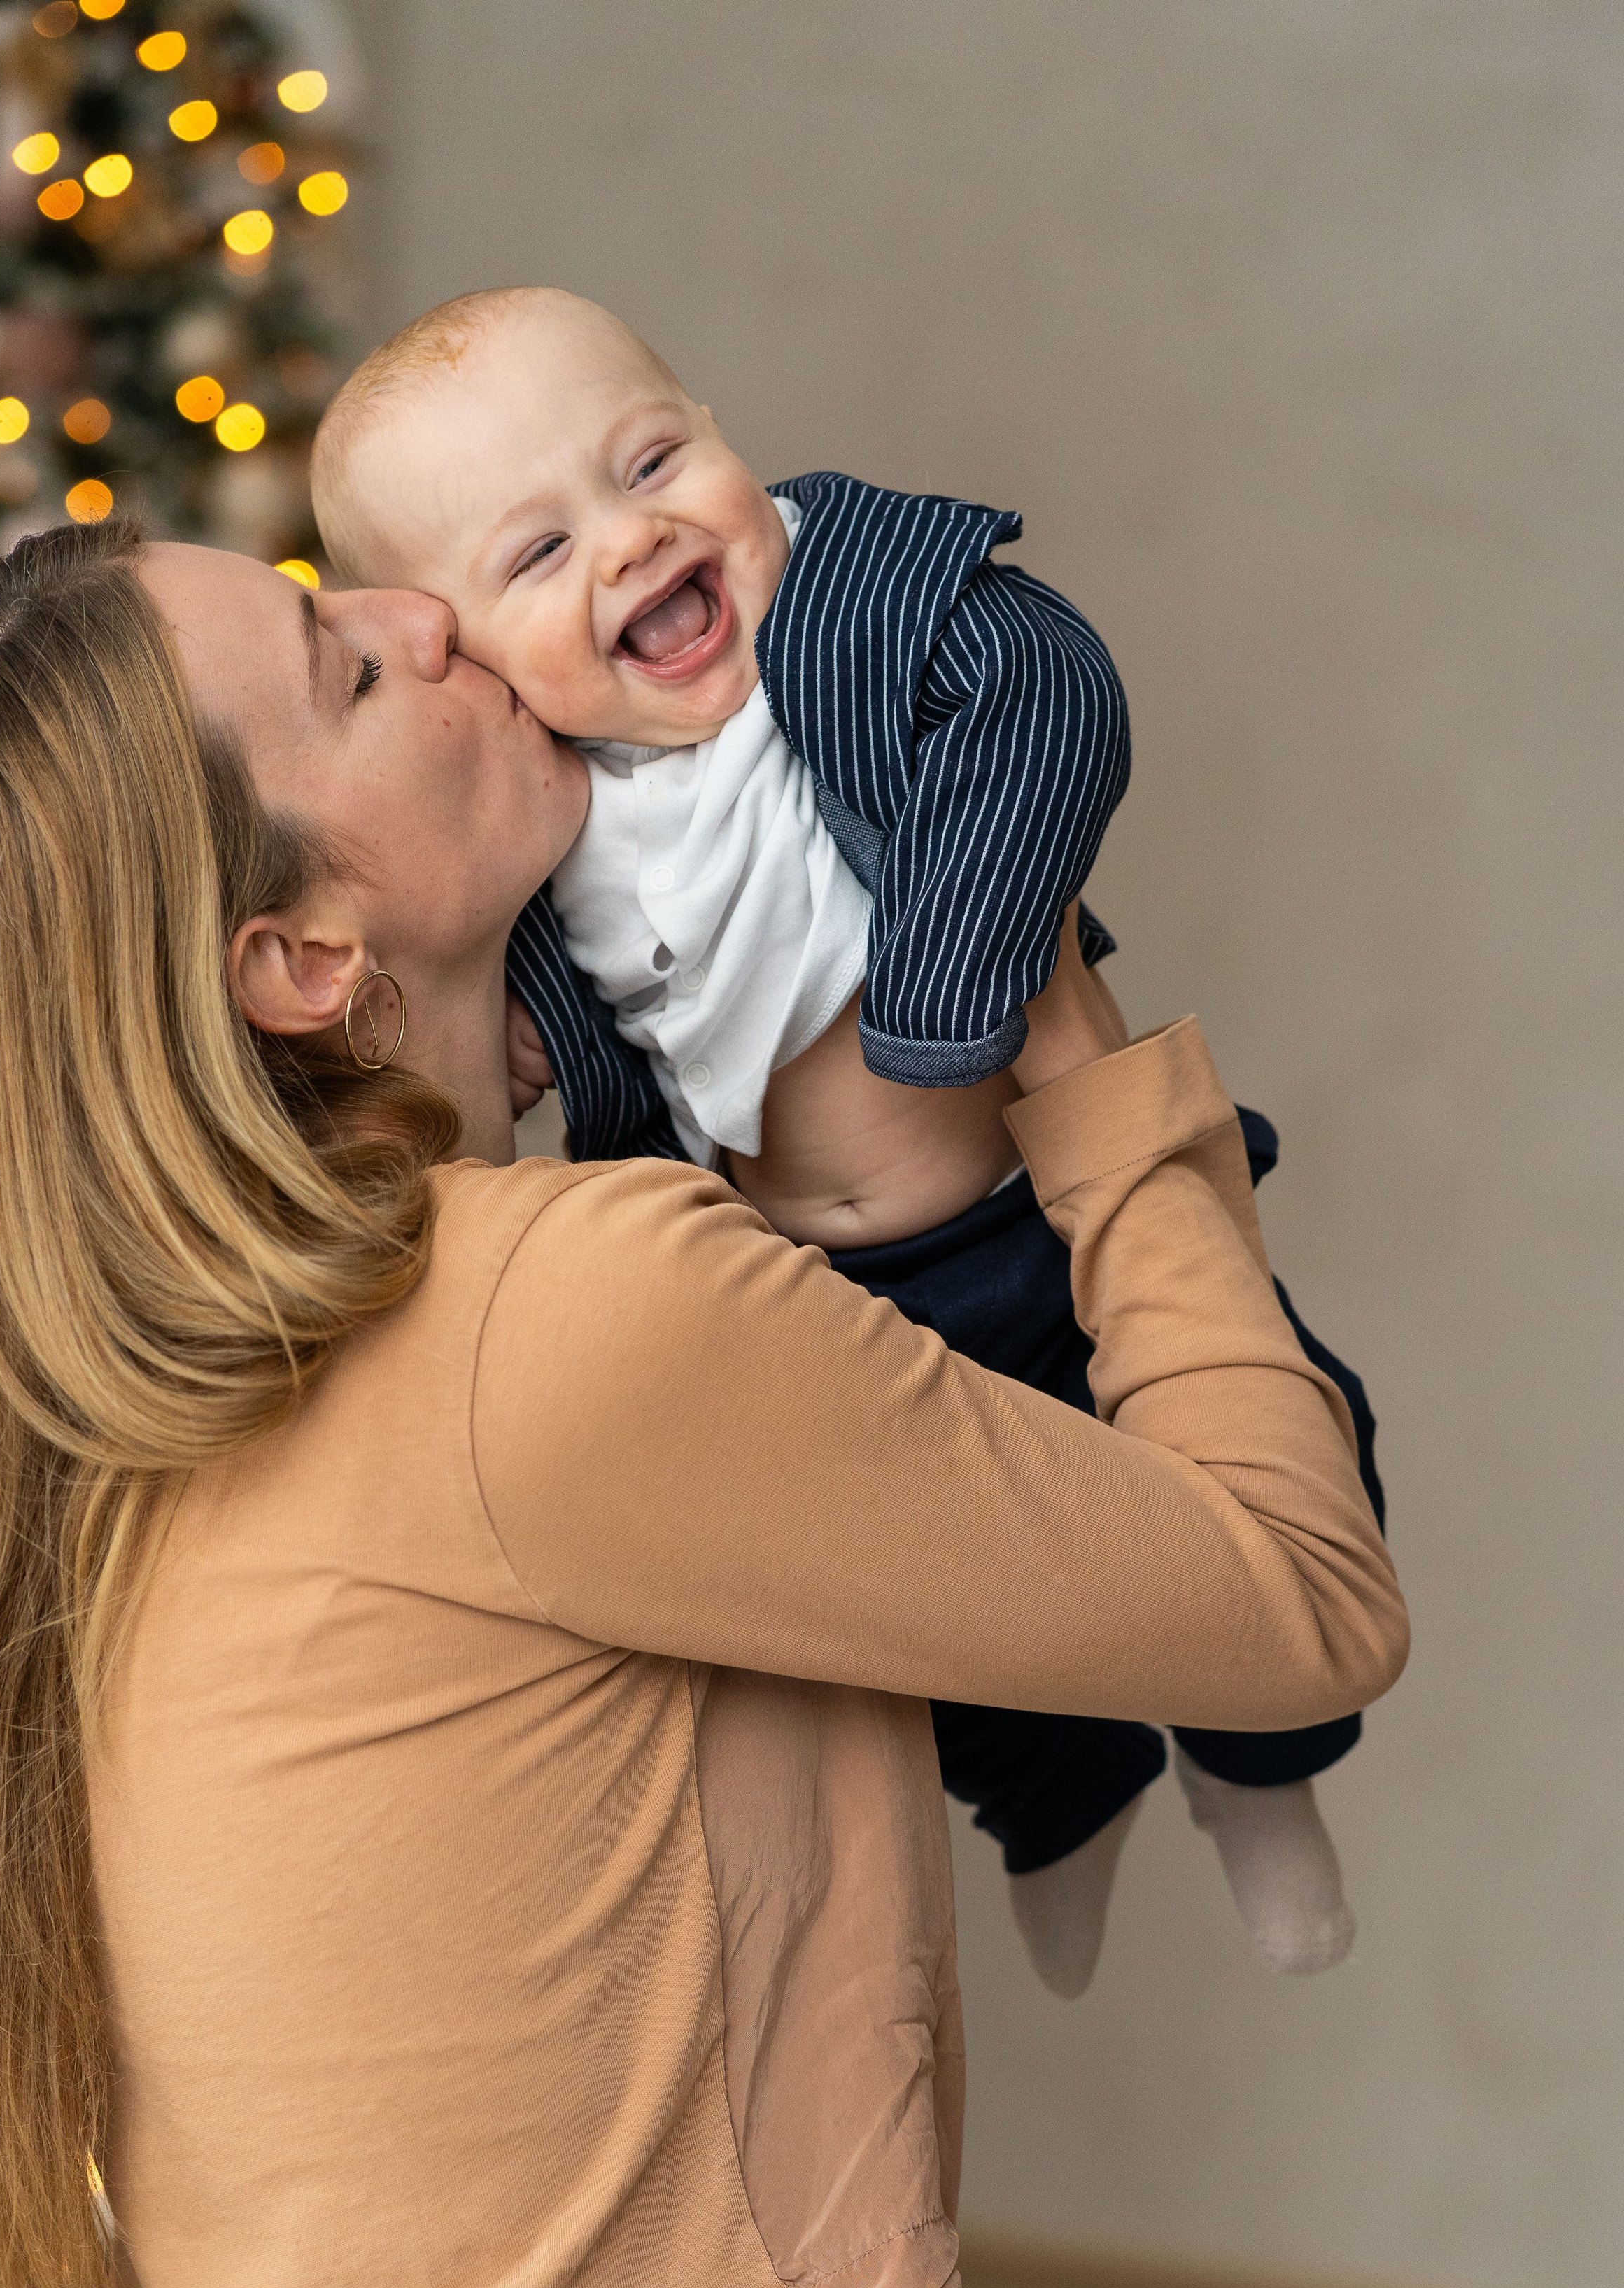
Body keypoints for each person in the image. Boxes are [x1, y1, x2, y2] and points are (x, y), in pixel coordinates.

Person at [0, 518, 1406, 2288]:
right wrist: (1067, 1035)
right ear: (296, 957)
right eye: (344, 667)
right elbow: (1301, 1599)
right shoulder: (556, 1323)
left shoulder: (110, 1396)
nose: (420, 613)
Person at [309, 285, 1385, 1997]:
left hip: (1039, 1205)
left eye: (653, 456)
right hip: (828, 1300)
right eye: (535, 556)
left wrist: (952, 992)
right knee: (945, 1624)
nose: (631, 536)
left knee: (1296, 1435)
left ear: (721, 430)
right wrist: (525, 1043)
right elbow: (552, 1014)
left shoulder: (864, 623)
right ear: (475, 663)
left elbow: (1051, 698)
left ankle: (1260, 1778)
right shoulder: (551, 815)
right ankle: (1065, 1807)